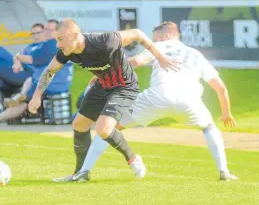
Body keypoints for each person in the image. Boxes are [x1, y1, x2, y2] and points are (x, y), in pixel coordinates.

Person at [77, 21, 238, 181]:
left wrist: (105, 74)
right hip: (189, 101)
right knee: (210, 128)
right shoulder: (195, 53)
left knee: (108, 128)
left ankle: (84, 171)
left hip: (157, 97)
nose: (154, 42)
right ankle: (224, 171)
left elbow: (136, 62)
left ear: (167, 35)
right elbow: (220, 88)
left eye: (156, 38)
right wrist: (226, 113)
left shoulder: (161, 46)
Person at [28, 19, 179, 182]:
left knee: (103, 129)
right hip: (102, 85)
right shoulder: (67, 51)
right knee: (79, 124)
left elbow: (137, 34)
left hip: (124, 86)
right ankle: (80, 174)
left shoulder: (105, 41)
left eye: (60, 39)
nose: (58, 45)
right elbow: (50, 71)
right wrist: (37, 96)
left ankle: (133, 159)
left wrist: (160, 57)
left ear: (75, 36)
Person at [0, 19, 74, 126]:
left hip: (51, 84)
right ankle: (15, 101)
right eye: (46, 29)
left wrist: (17, 56)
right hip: (54, 82)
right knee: (27, 82)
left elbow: (32, 59)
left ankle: (0, 115)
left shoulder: (52, 44)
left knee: (24, 100)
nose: (47, 32)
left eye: (50, 30)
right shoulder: (59, 43)